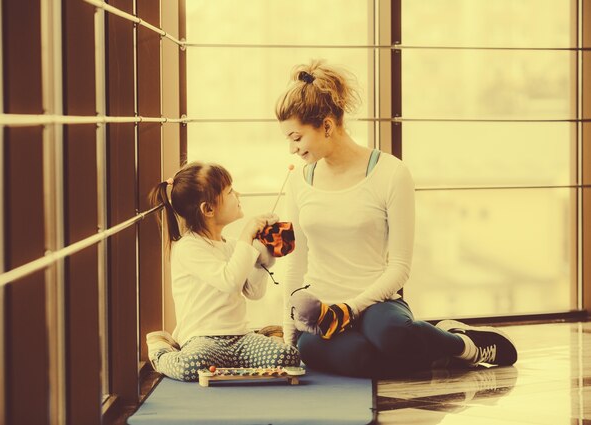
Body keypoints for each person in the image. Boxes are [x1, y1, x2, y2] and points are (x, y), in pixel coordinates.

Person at [274, 59, 517, 379]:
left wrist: (353, 308)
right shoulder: (299, 181)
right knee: (358, 357)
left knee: (391, 336)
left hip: (378, 303)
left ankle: (463, 346)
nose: (292, 148)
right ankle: (431, 351)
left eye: (296, 137)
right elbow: (295, 262)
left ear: (328, 126)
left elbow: (400, 267)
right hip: (324, 314)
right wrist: (291, 336)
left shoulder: (391, 173)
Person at [146, 161, 300, 382]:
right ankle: (161, 350)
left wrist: (264, 257)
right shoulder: (188, 248)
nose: (238, 194)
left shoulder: (231, 246)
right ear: (208, 209)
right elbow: (230, 281)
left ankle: (266, 336)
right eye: (230, 192)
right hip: (202, 339)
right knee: (192, 367)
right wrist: (248, 235)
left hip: (240, 338)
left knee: (287, 357)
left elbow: (253, 292)